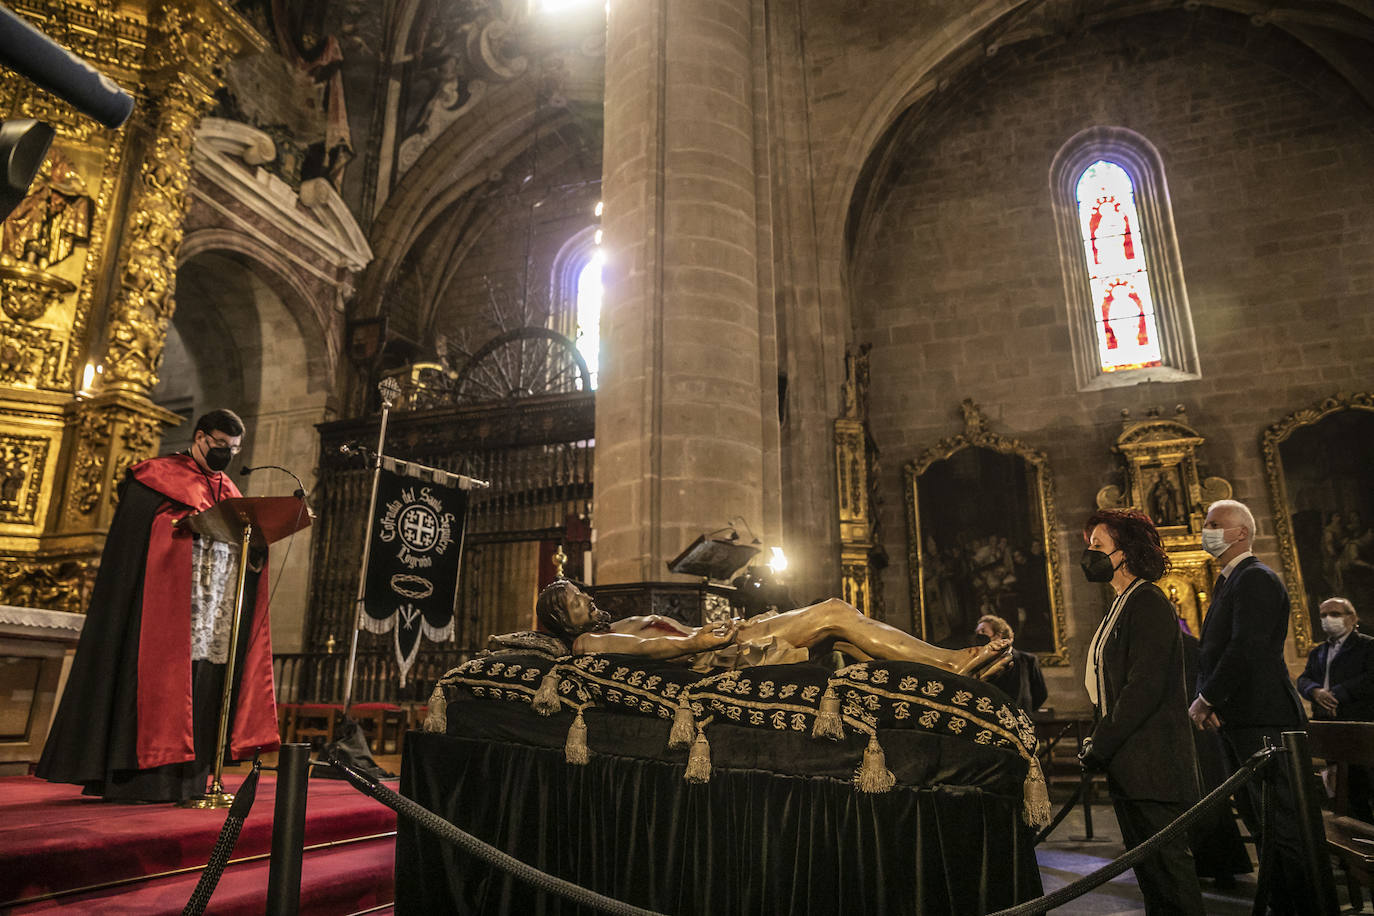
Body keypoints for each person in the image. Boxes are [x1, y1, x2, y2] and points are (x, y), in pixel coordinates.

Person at [36, 409, 279, 802]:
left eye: (234, 449)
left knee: (202, 686)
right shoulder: (156, 476)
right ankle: (142, 782)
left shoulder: (230, 490)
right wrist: (185, 525)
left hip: (212, 614)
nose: (227, 455)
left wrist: (257, 549)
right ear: (200, 437)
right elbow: (139, 535)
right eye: (221, 446)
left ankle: (191, 781)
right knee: (158, 685)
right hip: (160, 609)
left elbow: (243, 540)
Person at [1077, 508, 1204, 914]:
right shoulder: (1121, 603)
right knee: (1152, 876)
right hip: (1131, 762)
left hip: (1153, 762)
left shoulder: (1146, 602)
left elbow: (1143, 688)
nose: (1090, 554)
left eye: (1098, 546)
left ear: (1126, 551)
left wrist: (1103, 741)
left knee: (1170, 874)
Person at [1189, 498, 1307, 913]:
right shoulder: (1228, 580)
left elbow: (1247, 648)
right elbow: (1211, 650)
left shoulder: (1255, 578)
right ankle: (1277, 901)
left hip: (1264, 716)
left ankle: (1301, 904)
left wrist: (1206, 698)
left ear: (1241, 532)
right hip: (1242, 717)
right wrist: (1212, 696)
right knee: (1261, 822)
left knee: (1281, 822)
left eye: (1213, 523)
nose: (1206, 529)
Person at [534, 579, 1013, 678]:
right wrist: (700, 638)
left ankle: (944, 669)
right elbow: (650, 649)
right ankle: (949, 661)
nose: (585, 598)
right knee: (834, 612)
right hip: (716, 653)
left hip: (720, 639)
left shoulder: (605, 624)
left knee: (843, 630)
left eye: (580, 591)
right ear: (562, 620)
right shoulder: (586, 641)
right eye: (574, 601)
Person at [1297, 597, 1374, 820]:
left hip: (1359, 723)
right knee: (1341, 788)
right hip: (1329, 728)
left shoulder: (1367, 645)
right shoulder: (1318, 652)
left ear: (1352, 617)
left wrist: (1337, 693)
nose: (1328, 619)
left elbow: (1370, 679)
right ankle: (1353, 829)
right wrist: (1314, 691)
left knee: (1366, 782)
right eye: (1323, 615)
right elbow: (1303, 679)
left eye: (1335, 614)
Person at [974, 614, 1047, 713]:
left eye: (983, 631)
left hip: (1020, 720)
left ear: (998, 635)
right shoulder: (978, 661)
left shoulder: (1027, 660)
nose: (979, 636)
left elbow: (1040, 694)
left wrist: (1025, 711)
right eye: (977, 632)